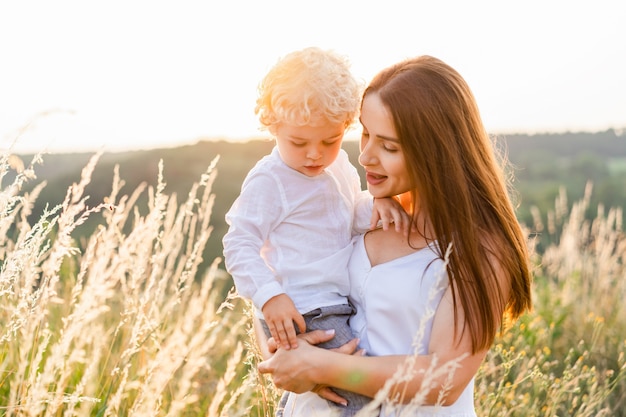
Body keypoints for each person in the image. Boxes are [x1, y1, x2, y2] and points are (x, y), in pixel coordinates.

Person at [257, 55, 533, 416]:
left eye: (389, 147)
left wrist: (324, 368)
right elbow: (275, 281)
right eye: (365, 134)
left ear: (436, 152)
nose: (366, 157)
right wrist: (284, 352)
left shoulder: (478, 246)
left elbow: (446, 378)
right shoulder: (359, 210)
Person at [222, 47, 409, 417]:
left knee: (337, 392)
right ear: (273, 124)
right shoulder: (270, 180)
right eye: (299, 142)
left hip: (338, 303)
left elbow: (346, 214)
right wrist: (270, 296)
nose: (314, 155)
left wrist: (376, 206)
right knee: (362, 402)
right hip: (304, 309)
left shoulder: (337, 164)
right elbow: (239, 243)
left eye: (329, 140)